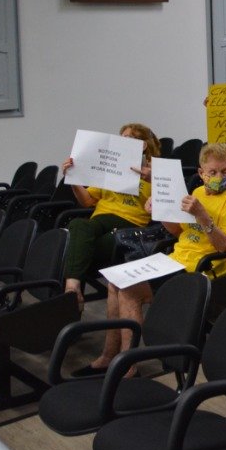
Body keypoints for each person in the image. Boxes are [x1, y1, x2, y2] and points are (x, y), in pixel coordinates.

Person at [87, 142, 226, 376]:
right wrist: (159, 212)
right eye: (212, 172)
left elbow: (225, 247)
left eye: (224, 171)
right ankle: (108, 356)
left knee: (129, 291)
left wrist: (203, 216)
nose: (218, 177)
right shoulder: (197, 193)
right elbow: (178, 231)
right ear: (201, 173)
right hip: (176, 259)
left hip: (202, 269)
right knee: (114, 283)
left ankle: (129, 366)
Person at [61, 123, 160, 310]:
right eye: (121, 138)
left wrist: (153, 178)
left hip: (129, 224)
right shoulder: (111, 166)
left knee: (75, 249)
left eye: (128, 138)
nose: (122, 141)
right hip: (101, 219)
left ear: (143, 145)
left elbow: (166, 204)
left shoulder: (155, 170)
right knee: (79, 225)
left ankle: (71, 300)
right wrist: (73, 178)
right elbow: (87, 200)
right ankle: (72, 288)